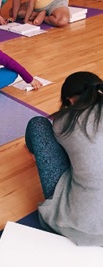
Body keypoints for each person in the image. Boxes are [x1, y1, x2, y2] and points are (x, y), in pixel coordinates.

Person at [25, 71, 103, 246]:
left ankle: (32, 152)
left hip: (82, 225)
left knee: (38, 125)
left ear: (70, 99)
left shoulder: (64, 121)